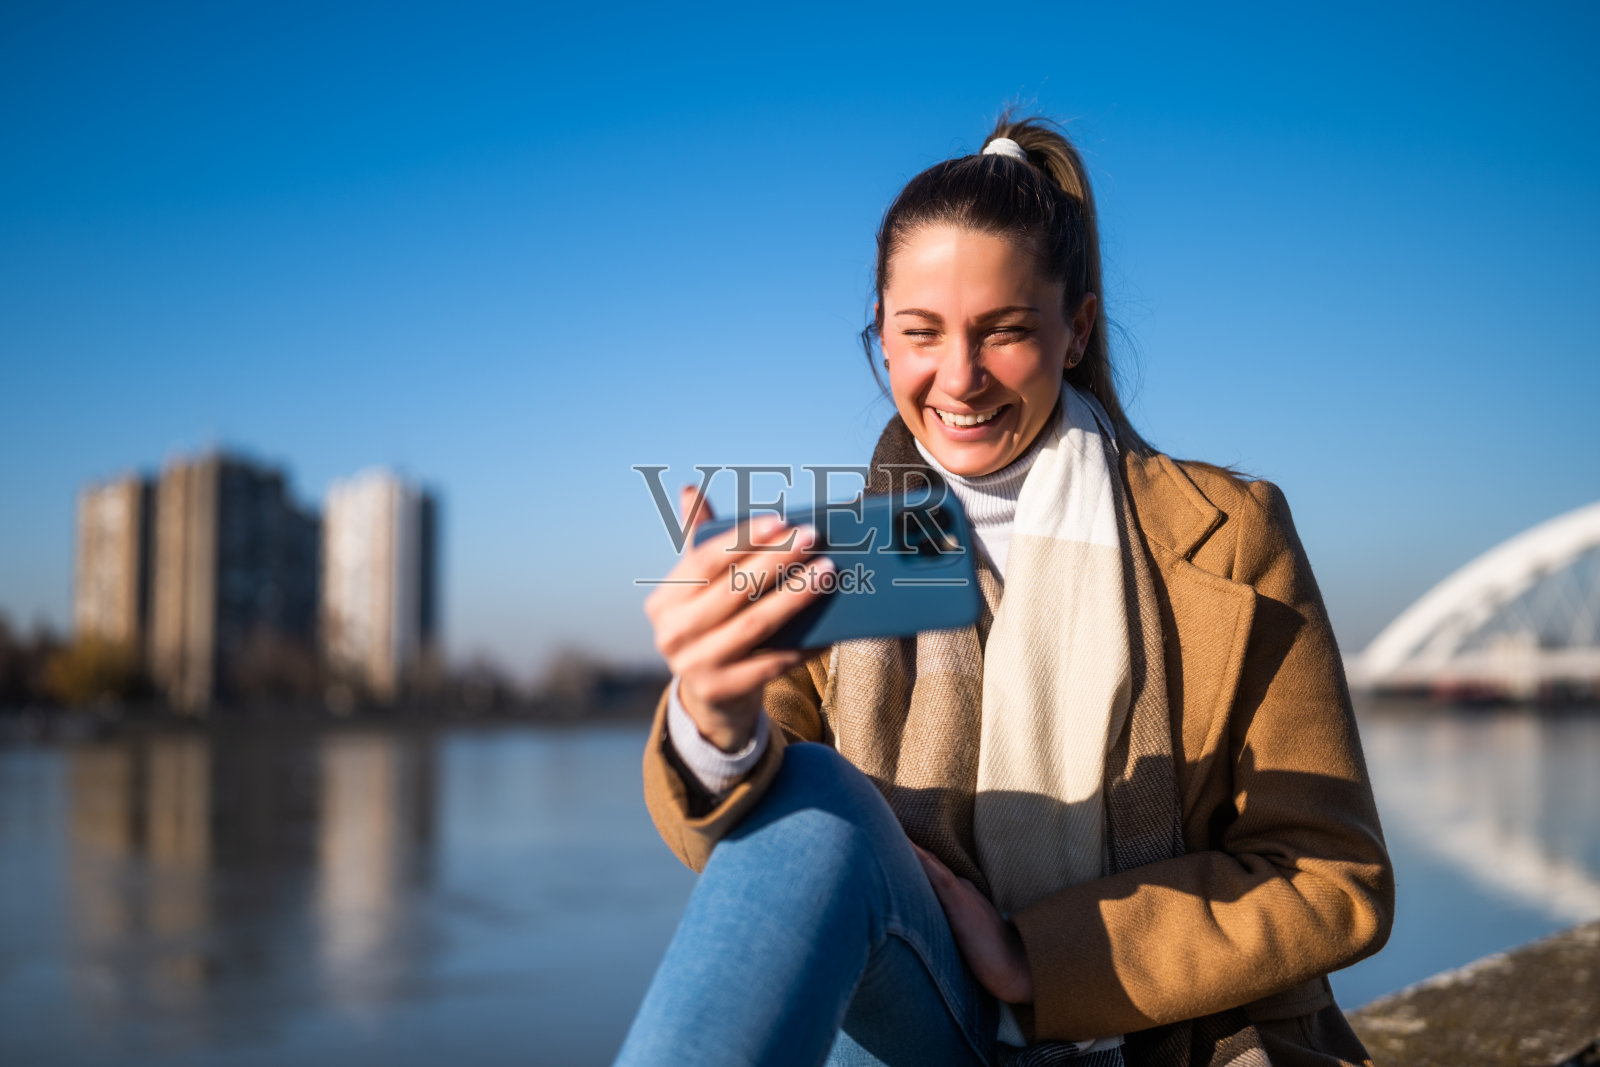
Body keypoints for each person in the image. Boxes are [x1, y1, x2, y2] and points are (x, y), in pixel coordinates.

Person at [617, 114, 1394, 1067]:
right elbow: (771, 869)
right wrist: (717, 722)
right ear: (881, 344)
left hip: (1175, 1040)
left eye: (1005, 332)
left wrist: (1040, 959)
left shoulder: (1228, 536)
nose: (959, 378)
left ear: (1077, 332)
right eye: (920, 334)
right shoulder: (854, 552)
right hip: (930, 1016)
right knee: (813, 792)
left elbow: (1331, 873)